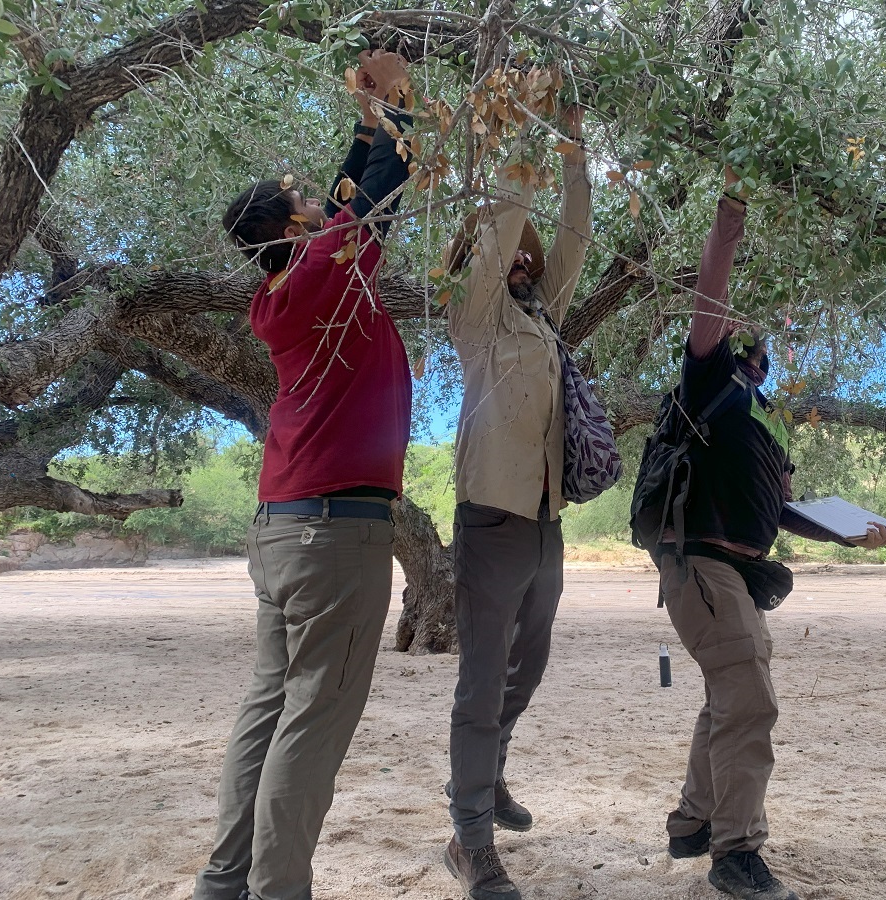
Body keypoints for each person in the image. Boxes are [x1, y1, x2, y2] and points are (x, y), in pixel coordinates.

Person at [193, 50, 414, 900]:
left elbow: (351, 199)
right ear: (291, 229)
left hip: (285, 528)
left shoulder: (289, 287)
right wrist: (390, 105)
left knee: (267, 708)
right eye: (304, 201)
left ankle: (226, 880)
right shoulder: (325, 272)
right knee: (312, 722)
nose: (320, 201)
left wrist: (363, 122)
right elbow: (381, 194)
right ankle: (275, 888)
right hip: (333, 537)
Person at [657, 167, 886, 900]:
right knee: (751, 701)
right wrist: (730, 214)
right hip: (701, 569)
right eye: (747, 349)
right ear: (729, 344)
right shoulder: (705, 383)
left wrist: (848, 536)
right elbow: (710, 294)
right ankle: (736, 852)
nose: (756, 362)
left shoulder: (754, 432)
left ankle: (694, 821)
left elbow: (781, 513)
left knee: (731, 697)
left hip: (737, 578)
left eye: (763, 358)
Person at [440, 105, 592, 900]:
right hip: (492, 523)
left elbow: (574, 241)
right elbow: (501, 231)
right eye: (514, 260)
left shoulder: (542, 322)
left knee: (525, 670)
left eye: (531, 264)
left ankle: (488, 776)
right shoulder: (479, 321)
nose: (527, 266)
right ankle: (471, 841)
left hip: (545, 526)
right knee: (479, 683)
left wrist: (570, 152)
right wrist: (519, 136)